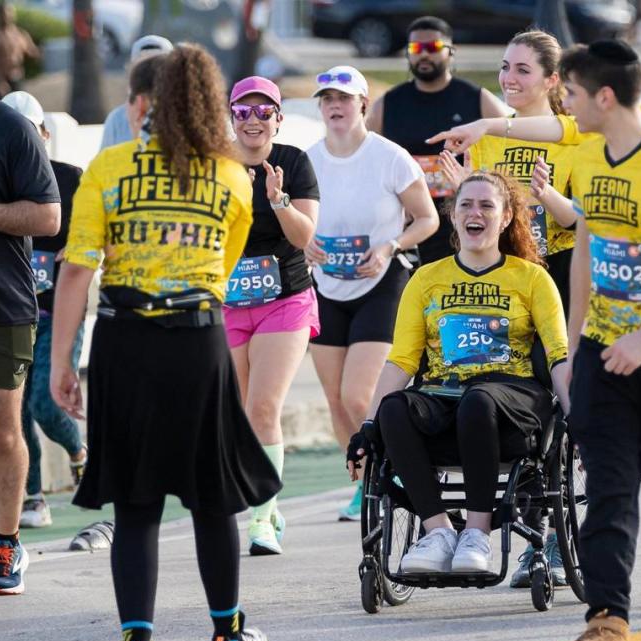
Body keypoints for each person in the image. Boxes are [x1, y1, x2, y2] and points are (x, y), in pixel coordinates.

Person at [429, 37, 641, 641]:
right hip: (602, 355)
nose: (564, 103)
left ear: (603, 96)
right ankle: (608, 626)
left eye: (570, 93)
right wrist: (577, 345)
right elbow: (587, 255)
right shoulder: (587, 158)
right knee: (611, 491)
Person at [50, 44, 276, 641]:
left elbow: (77, 268)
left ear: (144, 102)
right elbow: (224, 270)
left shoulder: (110, 167)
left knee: (136, 504)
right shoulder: (232, 178)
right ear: (211, 103)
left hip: (124, 342)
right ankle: (228, 640)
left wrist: (64, 358)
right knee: (212, 500)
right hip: (197, 340)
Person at [347, 170, 569, 576]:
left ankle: (477, 534)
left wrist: (576, 414)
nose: (475, 212)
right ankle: (439, 532)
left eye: (487, 205)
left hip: (510, 402)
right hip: (443, 398)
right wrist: (368, 422)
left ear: (505, 219)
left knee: (479, 399)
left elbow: (558, 355)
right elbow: (402, 361)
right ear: (453, 217)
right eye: (466, 204)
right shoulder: (427, 279)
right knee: (394, 409)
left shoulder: (532, 278)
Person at [439, 29, 581, 588]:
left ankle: (547, 530)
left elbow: (580, 222)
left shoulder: (570, 138)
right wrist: (458, 195)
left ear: (551, 80)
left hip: (559, 277)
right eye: (504, 67)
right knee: (506, 386)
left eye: (522, 69)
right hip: (502, 285)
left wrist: (548, 197)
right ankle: (522, 517)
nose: (509, 79)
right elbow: (480, 221)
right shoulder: (490, 145)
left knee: (557, 396)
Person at [305, 66, 439, 521]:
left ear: (363, 104)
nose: (335, 106)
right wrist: (305, 244)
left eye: (343, 98)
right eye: (326, 99)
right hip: (326, 285)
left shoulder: (391, 157)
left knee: (360, 395)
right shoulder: (307, 161)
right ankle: (366, 485)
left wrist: (389, 246)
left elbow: (428, 220)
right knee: (335, 399)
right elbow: (295, 225)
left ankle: (398, 469)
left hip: (382, 283)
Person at [225, 75, 320, 555]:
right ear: (231, 117)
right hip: (227, 301)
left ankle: (260, 521)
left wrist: (276, 199)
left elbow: (304, 237)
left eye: (265, 112)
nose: (254, 120)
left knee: (264, 407)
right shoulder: (215, 166)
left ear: (279, 120)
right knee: (240, 414)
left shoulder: (293, 163)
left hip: (285, 299)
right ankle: (270, 503)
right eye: (244, 111)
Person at [0, 91, 85, 529]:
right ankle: (33, 497)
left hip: (55, 314)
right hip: (19, 310)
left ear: (44, 134)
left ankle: (78, 451)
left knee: (43, 406)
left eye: (31, 132)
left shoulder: (71, 179)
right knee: (19, 413)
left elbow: (92, 240)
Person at [366, 15, 508, 265]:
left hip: (466, 220)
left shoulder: (477, 99)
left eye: (432, 48)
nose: (424, 55)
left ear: (451, 52)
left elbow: (511, 142)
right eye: (415, 48)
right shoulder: (388, 103)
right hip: (406, 222)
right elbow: (363, 156)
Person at [0, 95, 61, 596]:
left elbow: (47, 217)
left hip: (6, 305)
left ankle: (6, 541)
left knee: (4, 432)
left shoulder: (13, 129)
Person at [99, 35, 174, 151]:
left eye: (158, 67)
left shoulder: (185, 117)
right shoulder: (116, 119)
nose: (150, 75)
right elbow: (104, 165)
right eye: (143, 69)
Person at [0, 2, 39, 98]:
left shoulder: (20, 34)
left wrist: (37, 53)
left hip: (17, 78)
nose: (6, 15)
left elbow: (31, 51)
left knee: (19, 109)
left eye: (9, 12)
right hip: (2, 80)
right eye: (3, 13)